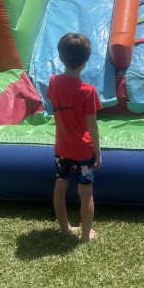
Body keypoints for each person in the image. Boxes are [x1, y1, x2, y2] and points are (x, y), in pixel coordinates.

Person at [47, 33, 102, 242]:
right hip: (84, 151)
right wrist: (97, 151)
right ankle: (86, 235)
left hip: (62, 149)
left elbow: (55, 102)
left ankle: (65, 228)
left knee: (60, 187)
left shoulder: (53, 82)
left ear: (61, 58)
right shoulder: (88, 91)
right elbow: (93, 125)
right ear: (86, 61)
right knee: (85, 192)